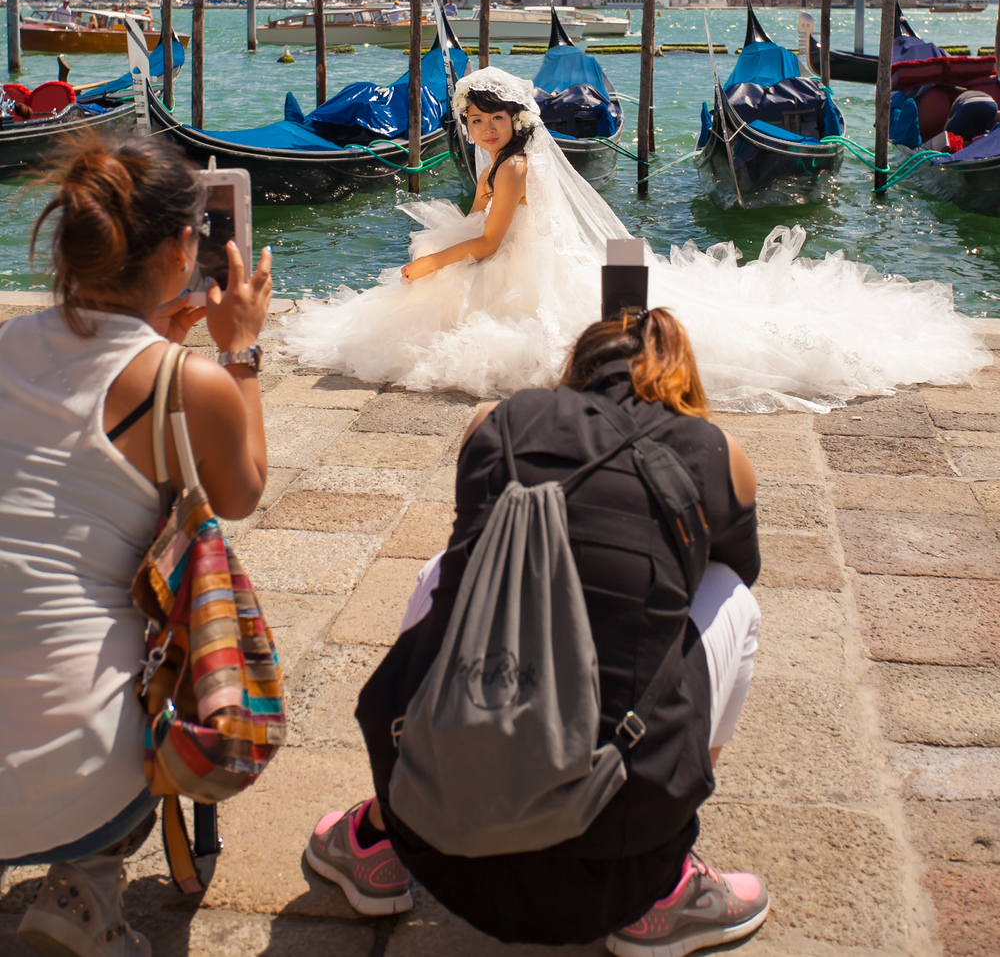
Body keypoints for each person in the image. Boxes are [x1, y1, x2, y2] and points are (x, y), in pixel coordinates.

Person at [307, 306, 769, 953]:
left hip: (435, 839)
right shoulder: (713, 452)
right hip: (620, 872)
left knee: (446, 572)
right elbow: (732, 566)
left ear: (576, 369)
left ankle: (377, 836)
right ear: (680, 381)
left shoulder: (497, 422)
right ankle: (669, 888)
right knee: (733, 599)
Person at [285, 66, 988, 410]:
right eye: (473, 122)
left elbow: (492, 243)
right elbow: (485, 219)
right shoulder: (498, 160)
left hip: (516, 265)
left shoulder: (518, 164)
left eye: (492, 118)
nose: (481, 130)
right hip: (516, 257)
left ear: (516, 118)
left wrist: (432, 260)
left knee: (427, 292)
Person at [0, 134, 272, 957]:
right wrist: (238, 353)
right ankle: (87, 882)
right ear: (186, 246)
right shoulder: (185, 381)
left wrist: (158, 333)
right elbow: (243, 491)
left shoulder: (8, 346)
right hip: (72, 776)